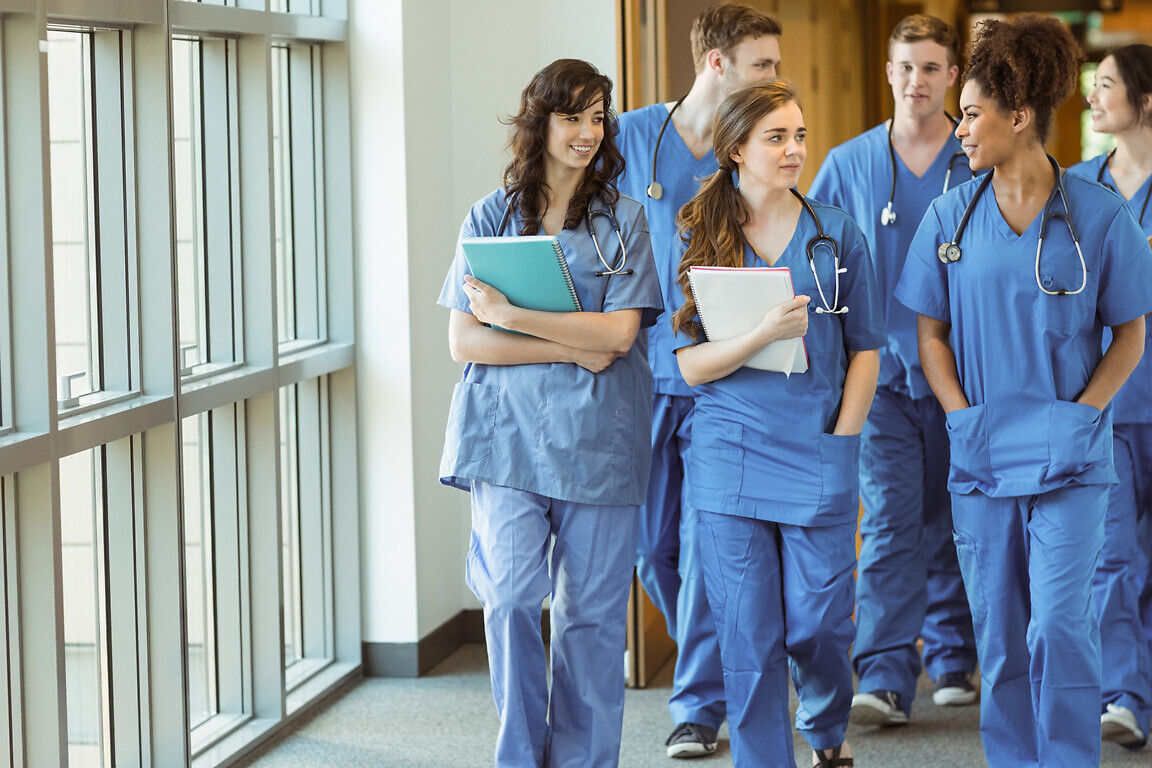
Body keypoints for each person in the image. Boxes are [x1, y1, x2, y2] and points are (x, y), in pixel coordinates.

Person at [895, 15, 1152, 767]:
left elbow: (1130, 333)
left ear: (1020, 116)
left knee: (1060, 628)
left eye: (971, 114)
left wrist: (1083, 413)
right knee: (1002, 637)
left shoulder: (1099, 216)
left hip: (1071, 459)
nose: (959, 129)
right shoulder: (951, 215)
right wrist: (961, 417)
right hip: (982, 457)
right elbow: (930, 336)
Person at [437, 58, 663, 768]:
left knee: (590, 620)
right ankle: (518, 756)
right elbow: (464, 340)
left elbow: (620, 337)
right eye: (574, 116)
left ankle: (584, 760)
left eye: (599, 117)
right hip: (505, 440)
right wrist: (570, 341)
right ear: (541, 122)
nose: (589, 132)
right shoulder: (489, 217)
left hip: (598, 440)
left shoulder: (624, 221)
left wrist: (513, 317)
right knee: (505, 600)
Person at [670, 79, 885, 768]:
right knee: (747, 633)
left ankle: (824, 728)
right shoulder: (698, 231)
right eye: (776, 137)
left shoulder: (836, 232)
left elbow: (867, 351)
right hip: (730, 452)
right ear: (735, 149)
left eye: (799, 135)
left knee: (822, 624)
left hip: (818, 447)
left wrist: (844, 441)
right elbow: (691, 367)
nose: (794, 149)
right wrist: (761, 333)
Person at [614, 5, 783, 757]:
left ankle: (699, 703)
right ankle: (736, 656)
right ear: (716, 63)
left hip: (720, 378)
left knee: (709, 542)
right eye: (762, 65)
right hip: (641, 376)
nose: (775, 79)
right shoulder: (631, 136)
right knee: (653, 550)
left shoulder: (751, 146)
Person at [807, 14, 978, 726]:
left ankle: (951, 653)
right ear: (888, 73)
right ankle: (882, 672)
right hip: (878, 379)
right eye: (906, 67)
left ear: (953, 76)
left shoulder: (978, 159)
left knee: (956, 516)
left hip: (965, 376)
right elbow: (810, 252)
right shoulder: (848, 164)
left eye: (932, 68)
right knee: (890, 521)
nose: (918, 82)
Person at [1069, 43, 1152, 751]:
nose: (1091, 98)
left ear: (1145, 100)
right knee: (1116, 555)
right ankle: (1125, 695)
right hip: (1109, 401)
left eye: (1105, 86)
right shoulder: (1076, 188)